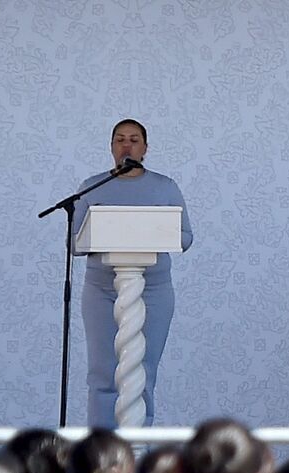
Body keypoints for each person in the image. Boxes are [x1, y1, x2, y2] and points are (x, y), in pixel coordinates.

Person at [72, 119, 194, 428]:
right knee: (103, 373)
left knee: (142, 371)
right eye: (120, 139)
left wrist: (150, 232)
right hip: (102, 290)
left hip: (152, 290)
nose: (126, 145)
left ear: (145, 148)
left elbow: (185, 237)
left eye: (134, 140)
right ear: (111, 147)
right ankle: (101, 446)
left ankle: (138, 443)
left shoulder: (165, 187)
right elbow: (74, 242)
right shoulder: (92, 187)